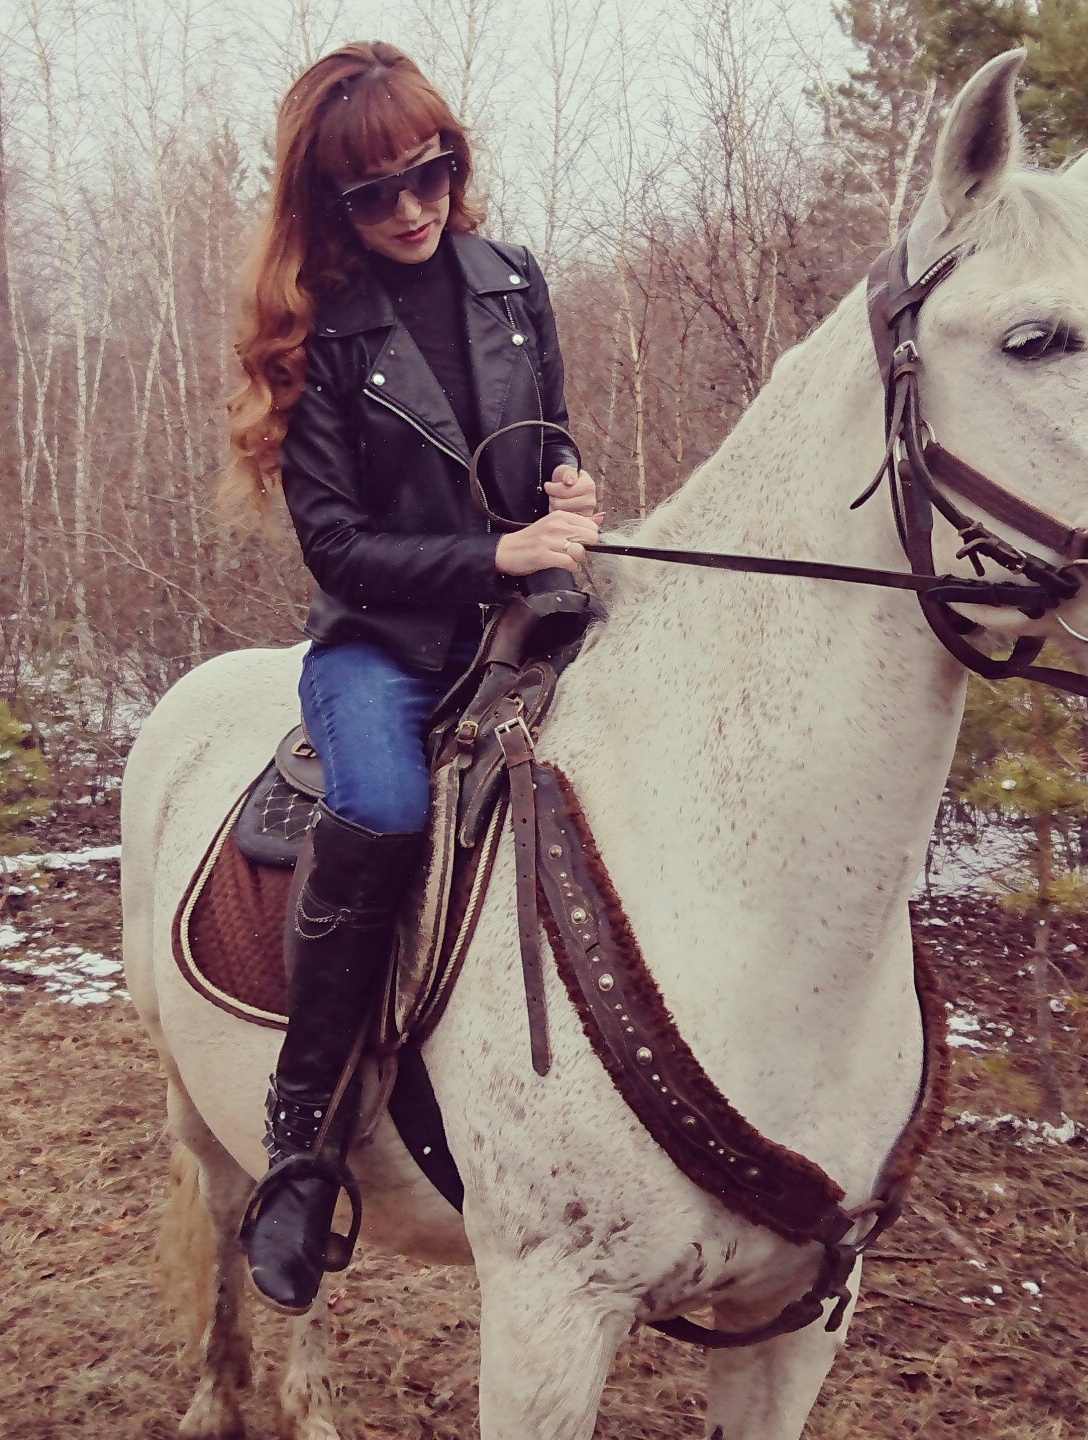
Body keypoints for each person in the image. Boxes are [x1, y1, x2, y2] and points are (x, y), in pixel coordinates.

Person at [223, 40, 601, 1315]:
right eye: (372, 193)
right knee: (381, 807)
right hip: (378, 648)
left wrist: (567, 496)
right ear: (328, 209)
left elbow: (545, 440)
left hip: (521, 628)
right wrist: (497, 549)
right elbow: (333, 543)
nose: (409, 206)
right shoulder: (321, 338)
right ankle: (300, 1142)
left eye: (426, 171)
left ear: (453, 161)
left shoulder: (511, 284)